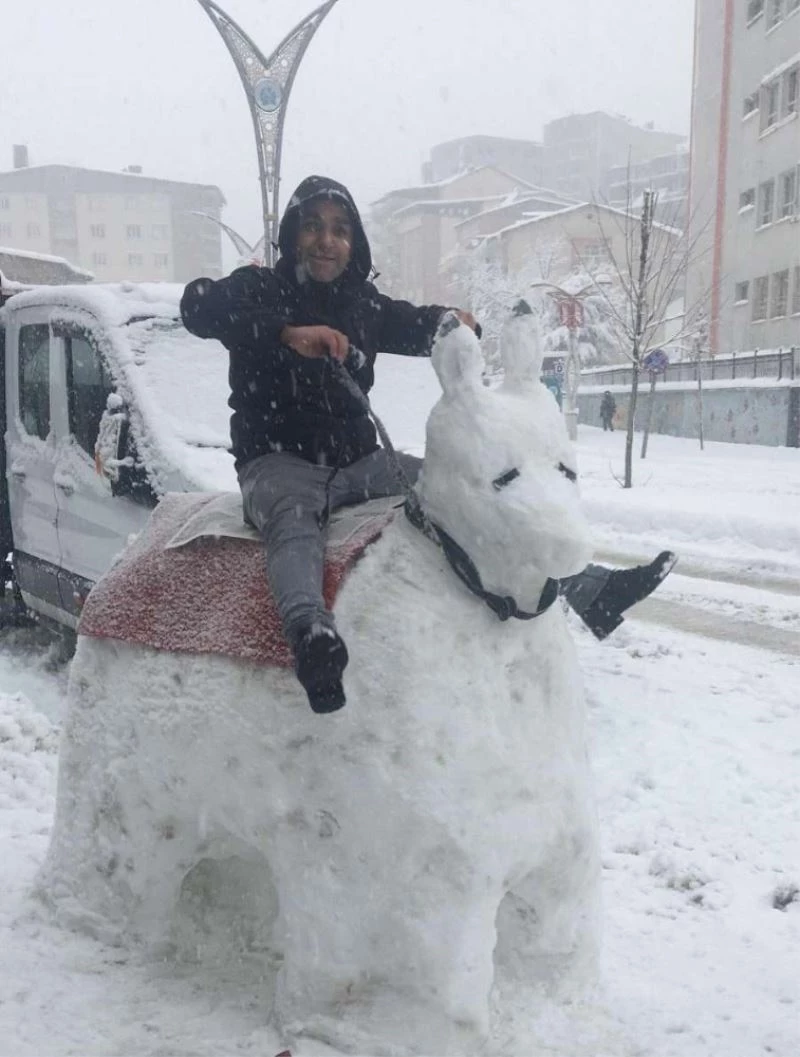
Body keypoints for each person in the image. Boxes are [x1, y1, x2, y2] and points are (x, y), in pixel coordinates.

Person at [181, 175, 675, 715]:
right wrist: (287, 333)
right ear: (292, 234)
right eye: (314, 226)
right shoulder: (259, 289)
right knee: (294, 525)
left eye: (340, 230)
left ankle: (590, 588)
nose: (327, 240)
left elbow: (410, 321)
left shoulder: (361, 304)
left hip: (360, 462)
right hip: (279, 462)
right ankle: (312, 638)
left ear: (354, 242)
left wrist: (448, 322)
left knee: (466, 489)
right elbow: (198, 306)